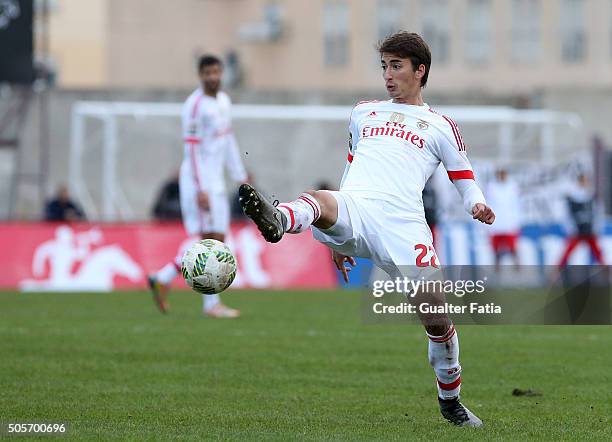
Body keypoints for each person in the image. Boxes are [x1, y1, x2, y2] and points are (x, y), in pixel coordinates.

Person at [238, 32, 494, 426]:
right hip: (356, 205)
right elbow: (351, 166)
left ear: (419, 70)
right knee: (319, 197)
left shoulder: (440, 125)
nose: (388, 76)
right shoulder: (363, 112)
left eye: (396, 66)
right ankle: (279, 220)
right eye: (384, 67)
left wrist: (476, 203)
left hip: (404, 224)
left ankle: (450, 399)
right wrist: (336, 235)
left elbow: (464, 177)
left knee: (436, 317)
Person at [148, 55, 248, 318]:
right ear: (200, 75)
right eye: (207, 72)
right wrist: (200, 187)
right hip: (198, 181)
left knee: (219, 240)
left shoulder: (224, 102)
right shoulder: (193, 106)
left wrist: (240, 175)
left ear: (221, 73)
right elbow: (190, 150)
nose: (212, 77)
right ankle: (211, 305)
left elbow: (227, 141)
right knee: (207, 242)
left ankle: (164, 276)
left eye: (216, 71)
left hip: (216, 181)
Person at [557, 173, 605, 267]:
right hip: (577, 231)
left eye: (587, 181)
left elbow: (598, 214)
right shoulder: (572, 197)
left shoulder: (592, 197)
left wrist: (597, 228)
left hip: (589, 230)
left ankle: (606, 270)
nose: (585, 183)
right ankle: (557, 270)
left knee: (598, 252)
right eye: (583, 181)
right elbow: (567, 215)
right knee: (568, 251)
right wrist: (570, 228)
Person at [486, 168, 521, 270]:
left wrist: (516, 220)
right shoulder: (491, 187)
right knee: (496, 251)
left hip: (509, 223)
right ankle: (497, 271)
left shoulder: (512, 186)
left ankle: (518, 270)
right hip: (496, 224)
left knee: (513, 249)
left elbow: (516, 204)